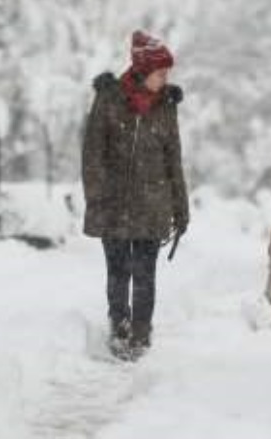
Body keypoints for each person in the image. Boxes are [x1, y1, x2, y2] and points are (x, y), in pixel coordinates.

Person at [81, 31, 189, 358]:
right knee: (118, 272)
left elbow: (174, 159)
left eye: (167, 73)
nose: (165, 78)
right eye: (160, 73)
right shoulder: (109, 99)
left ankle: (141, 335)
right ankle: (119, 328)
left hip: (152, 205)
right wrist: (98, 194)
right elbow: (92, 153)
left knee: (145, 275)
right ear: (143, 71)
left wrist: (180, 208)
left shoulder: (167, 106)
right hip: (113, 205)